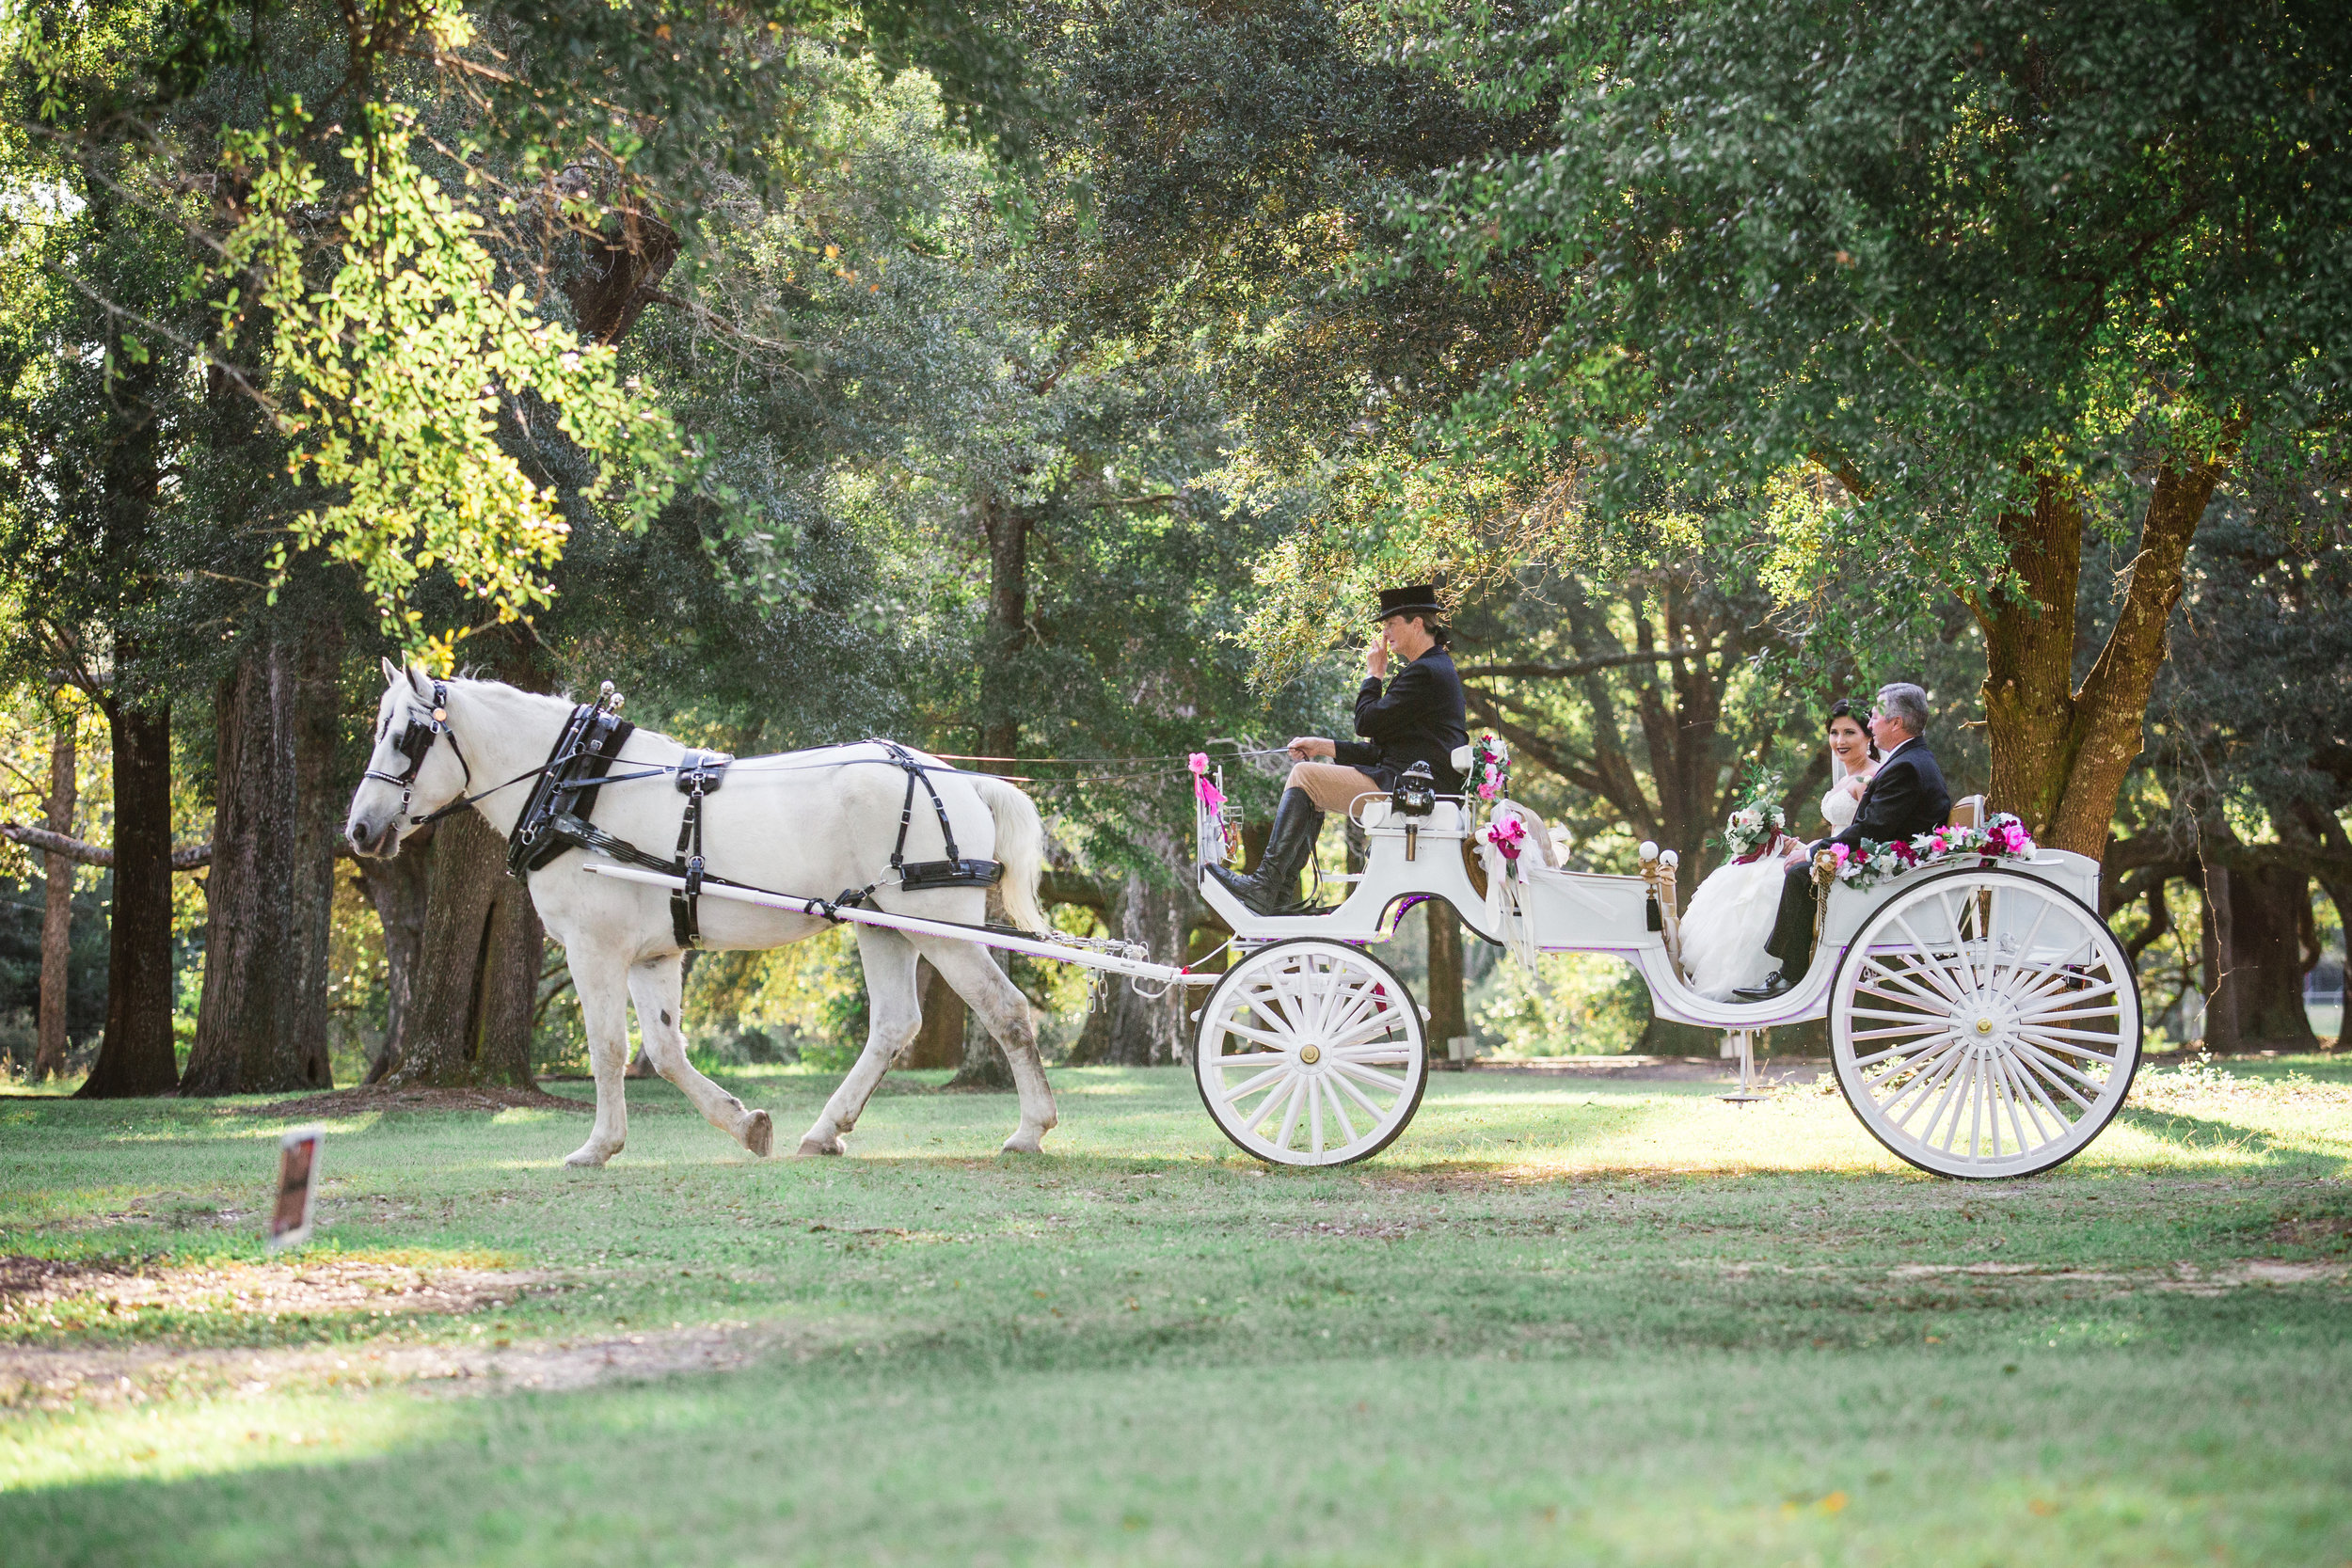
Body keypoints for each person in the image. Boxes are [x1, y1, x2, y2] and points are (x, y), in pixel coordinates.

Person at [1210, 584, 1469, 914]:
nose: (1385, 633)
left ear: (1416, 624)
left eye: (1391, 624)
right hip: (1409, 782)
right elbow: (1379, 750)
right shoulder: (1433, 668)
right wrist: (1322, 746)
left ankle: (1267, 887)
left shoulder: (1425, 672)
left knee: (1305, 776)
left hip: (1412, 792)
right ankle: (1276, 890)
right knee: (1309, 777)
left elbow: (1366, 722)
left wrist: (1374, 676)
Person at [1733, 683, 1950, 1002]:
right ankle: (1790, 972)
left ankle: (1793, 976)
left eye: (1875, 717)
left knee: (1798, 875)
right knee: (1798, 870)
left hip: (1896, 874)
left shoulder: (1905, 766)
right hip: (1895, 860)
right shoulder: (1911, 760)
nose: (1871, 723)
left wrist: (1813, 850)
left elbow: (1872, 830)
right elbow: (1873, 827)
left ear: (1896, 723)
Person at [1677, 700, 1880, 1000]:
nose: (1840, 741)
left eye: (1850, 732)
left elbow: (1860, 832)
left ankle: (1781, 974)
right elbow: (1841, 830)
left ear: (1868, 736)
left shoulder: (1868, 778)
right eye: (1834, 733)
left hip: (1843, 862)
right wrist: (1796, 845)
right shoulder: (1846, 779)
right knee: (1742, 874)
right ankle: (1718, 972)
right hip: (1828, 854)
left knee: (1763, 883)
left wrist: (1813, 852)